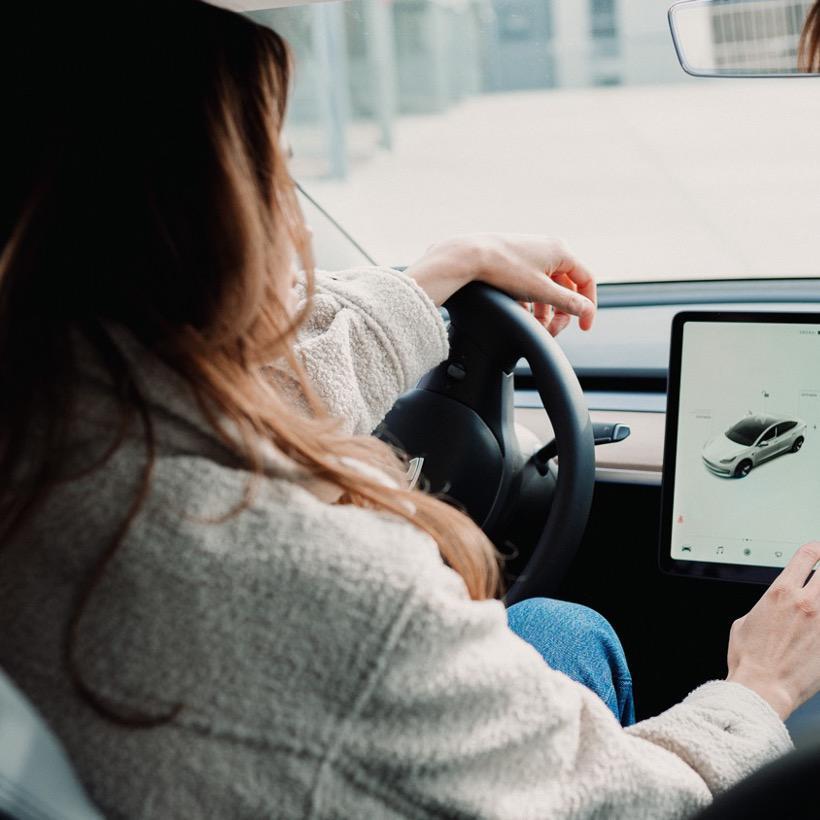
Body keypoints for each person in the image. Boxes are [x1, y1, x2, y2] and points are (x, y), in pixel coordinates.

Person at [1, 1, 819, 817]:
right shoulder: (329, 593)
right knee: (574, 637)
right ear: (210, 230)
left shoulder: (50, 433)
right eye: (279, 176)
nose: (294, 219)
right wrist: (756, 690)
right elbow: (632, 803)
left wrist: (445, 268)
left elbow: (262, 392)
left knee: (556, 627)